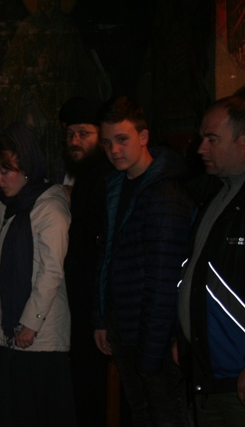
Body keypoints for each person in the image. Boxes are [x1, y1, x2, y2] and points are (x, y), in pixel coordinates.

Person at [93, 96, 192, 427]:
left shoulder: (165, 191)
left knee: (165, 417)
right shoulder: (117, 185)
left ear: (144, 136)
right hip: (125, 327)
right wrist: (103, 318)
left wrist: (151, 351)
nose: (114, 150)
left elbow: (164, 280)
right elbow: (107, 257)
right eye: (107, 142)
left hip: (154, 337)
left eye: (122, 139)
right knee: (141, 414)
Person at [0, 121, 76, 426]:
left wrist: (30, 323)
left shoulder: (49, 207)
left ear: (26, 167)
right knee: (15, 411)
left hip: (41, 333)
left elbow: (51, 272)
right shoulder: (7, 207)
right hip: (10, 329)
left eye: (5, 171)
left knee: (39, 412)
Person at [177, 92, 245, 426]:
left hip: (236, 381)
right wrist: (184, 339)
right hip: (207, 371)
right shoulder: (215, 194)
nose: (201, 148)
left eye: (212, 139)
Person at [58, 96, 111, 426]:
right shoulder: (85, 176)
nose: (75, 141)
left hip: (96, 305)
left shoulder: (105, 176)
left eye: (83, 133)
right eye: (69, 134)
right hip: (82, 302)